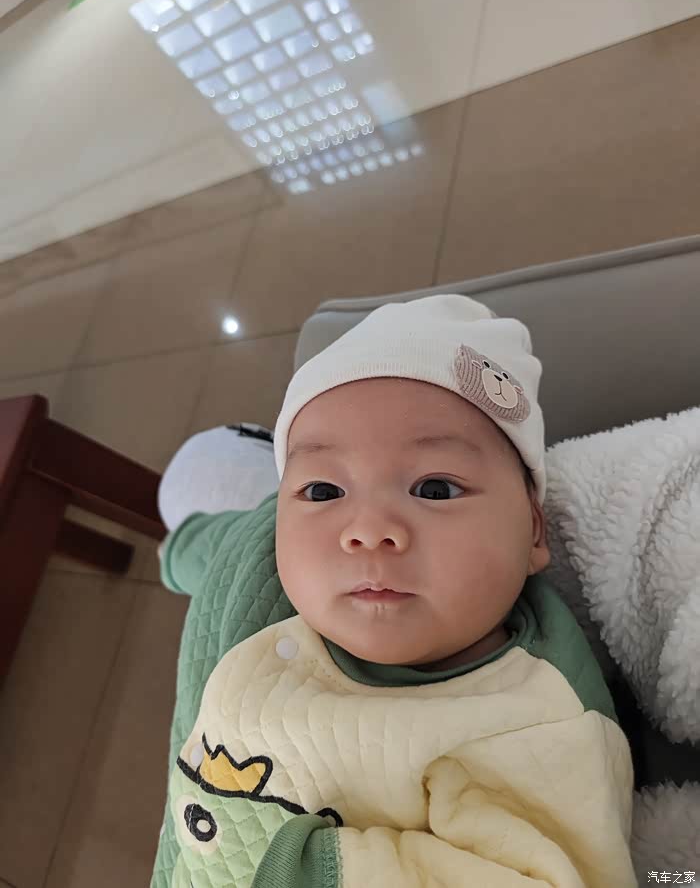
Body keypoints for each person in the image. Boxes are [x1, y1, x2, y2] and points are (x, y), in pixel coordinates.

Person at [158, 295, 636, 887]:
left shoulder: (535, 726)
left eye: (435, 489)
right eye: (324, 491)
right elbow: (226, 546)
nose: (367, 530)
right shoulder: (266, 554)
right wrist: (175, 552)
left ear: (535, 531)